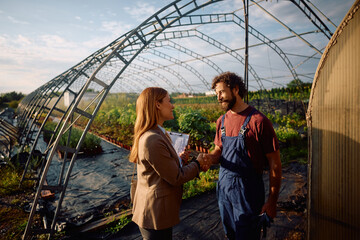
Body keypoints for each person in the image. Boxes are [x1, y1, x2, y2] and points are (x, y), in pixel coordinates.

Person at [198, 72, 282, 240]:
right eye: (216, 94)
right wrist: (210, 158)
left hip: (247, 191)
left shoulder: (258, 121)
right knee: (230, 234)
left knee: (247, 236)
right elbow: (218, 150)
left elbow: (275, 163)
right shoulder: (221, 121)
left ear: (235, 89)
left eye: (221, 92)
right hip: (224, 188)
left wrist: (272, 201)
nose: (218, 97)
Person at [129, 87, 210, 240]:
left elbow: (159, 169)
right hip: (154, 215)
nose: (172, 105)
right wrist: (198, 164)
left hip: (157, 212)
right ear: (157, 105)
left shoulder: (158, 133)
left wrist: (178, 159)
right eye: (169, 101)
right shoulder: (152, 139)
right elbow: (176, 177)